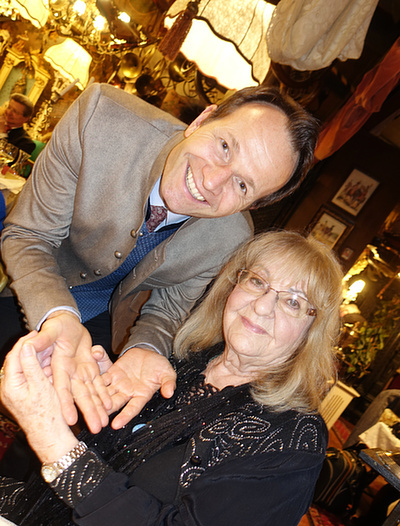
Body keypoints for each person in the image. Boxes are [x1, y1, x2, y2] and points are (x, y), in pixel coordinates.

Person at [0, 231, 343, 526]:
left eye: (293, 302)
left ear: (312, 330)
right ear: (233, 285)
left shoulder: (293, 437)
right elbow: (117, 463)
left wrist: (53, 440)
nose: (262, 306)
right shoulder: (186, 359)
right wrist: (84, 393)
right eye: (257, 281)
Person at [0, 83, 319, 435]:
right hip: (26, 278)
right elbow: (29, 235)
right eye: (225, 146)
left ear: (253, 205)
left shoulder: (232, 238)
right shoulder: (100, 118)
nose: (211, 181)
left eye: (243, 185)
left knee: (71, 422)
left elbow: (167, 310)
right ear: (202, 120)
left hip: (105, 321)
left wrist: (147, 347)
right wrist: (58, 314)